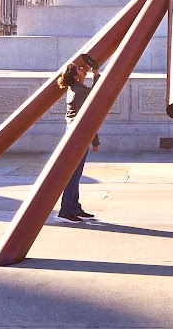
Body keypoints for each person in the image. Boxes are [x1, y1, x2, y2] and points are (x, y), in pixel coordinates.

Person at [55, 57, 101, 224]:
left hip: (73, 133)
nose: (83, 70)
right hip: (78, 134)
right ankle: (66, 211)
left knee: (75, 172)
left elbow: (92, 95)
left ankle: (74, 207)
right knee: (73, 173)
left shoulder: (75, 88)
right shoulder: (79, 90)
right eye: (80, 70)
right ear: (76, 76)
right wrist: (95, 140)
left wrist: (95, 75)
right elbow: (87, 115)